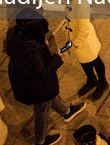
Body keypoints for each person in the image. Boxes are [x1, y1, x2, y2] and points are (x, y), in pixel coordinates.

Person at [5, 8, 85, 145]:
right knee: (42, 112)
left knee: (51, 97)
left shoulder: (17, 37)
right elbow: (43, 72)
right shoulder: (33, 53)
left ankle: (67, 112)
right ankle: (41, 141)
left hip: (30, 83)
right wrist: (57, 58)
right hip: (36, 88)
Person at [57, 0, 106, 99]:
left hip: (84, 42)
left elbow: (84, 30)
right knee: (84, 62)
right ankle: (92, 80)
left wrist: (74, 44)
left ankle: (102, 82)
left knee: (94, 60)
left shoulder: (81, 6)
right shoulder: (73, 0)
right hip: (76, 40)